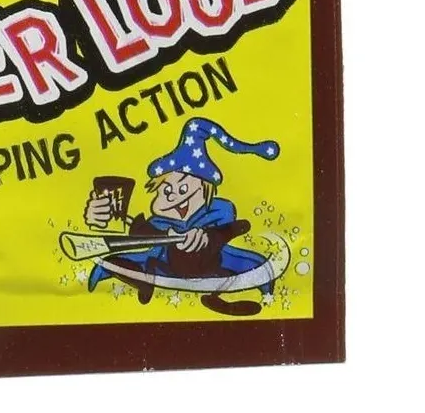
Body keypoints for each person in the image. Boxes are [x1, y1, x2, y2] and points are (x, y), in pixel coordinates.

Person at [83, 117, 280, 315]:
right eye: (166, 190)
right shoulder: (159, 222)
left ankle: (216, 299)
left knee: (239, 268)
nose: (173, 196)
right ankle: (143, 281)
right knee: (121, 261)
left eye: (183, 189)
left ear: (205, 189)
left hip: (213, 268)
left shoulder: (218, 211)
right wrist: (101, 217)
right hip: (164, 268)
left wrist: (204, 236)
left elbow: (228, 227)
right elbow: (139, 231)